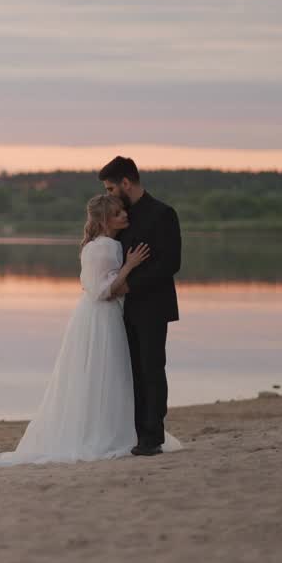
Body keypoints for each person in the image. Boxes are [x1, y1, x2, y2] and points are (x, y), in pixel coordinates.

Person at [0, 194, 158, 467]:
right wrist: (130, 267)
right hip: (102, 316)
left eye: (123, 211)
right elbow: (102, 291)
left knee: (96, 373)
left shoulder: (98, 245)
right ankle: (106, 432)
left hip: (92, 316)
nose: (125, 215)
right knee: (106, 371)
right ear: (104, 220)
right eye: (118, 213)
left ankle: (106, 428)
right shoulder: (106, 247)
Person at [100, 155, 181, 456]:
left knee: (151, 368)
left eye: (110, 188)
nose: (109, 194)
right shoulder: (122, 215)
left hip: (154, 305)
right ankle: (136, 433)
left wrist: (131, 284)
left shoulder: (163, 214)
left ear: (125, 182)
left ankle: (152, 436)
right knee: (132, 371)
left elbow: (171, 262)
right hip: (124, 307)